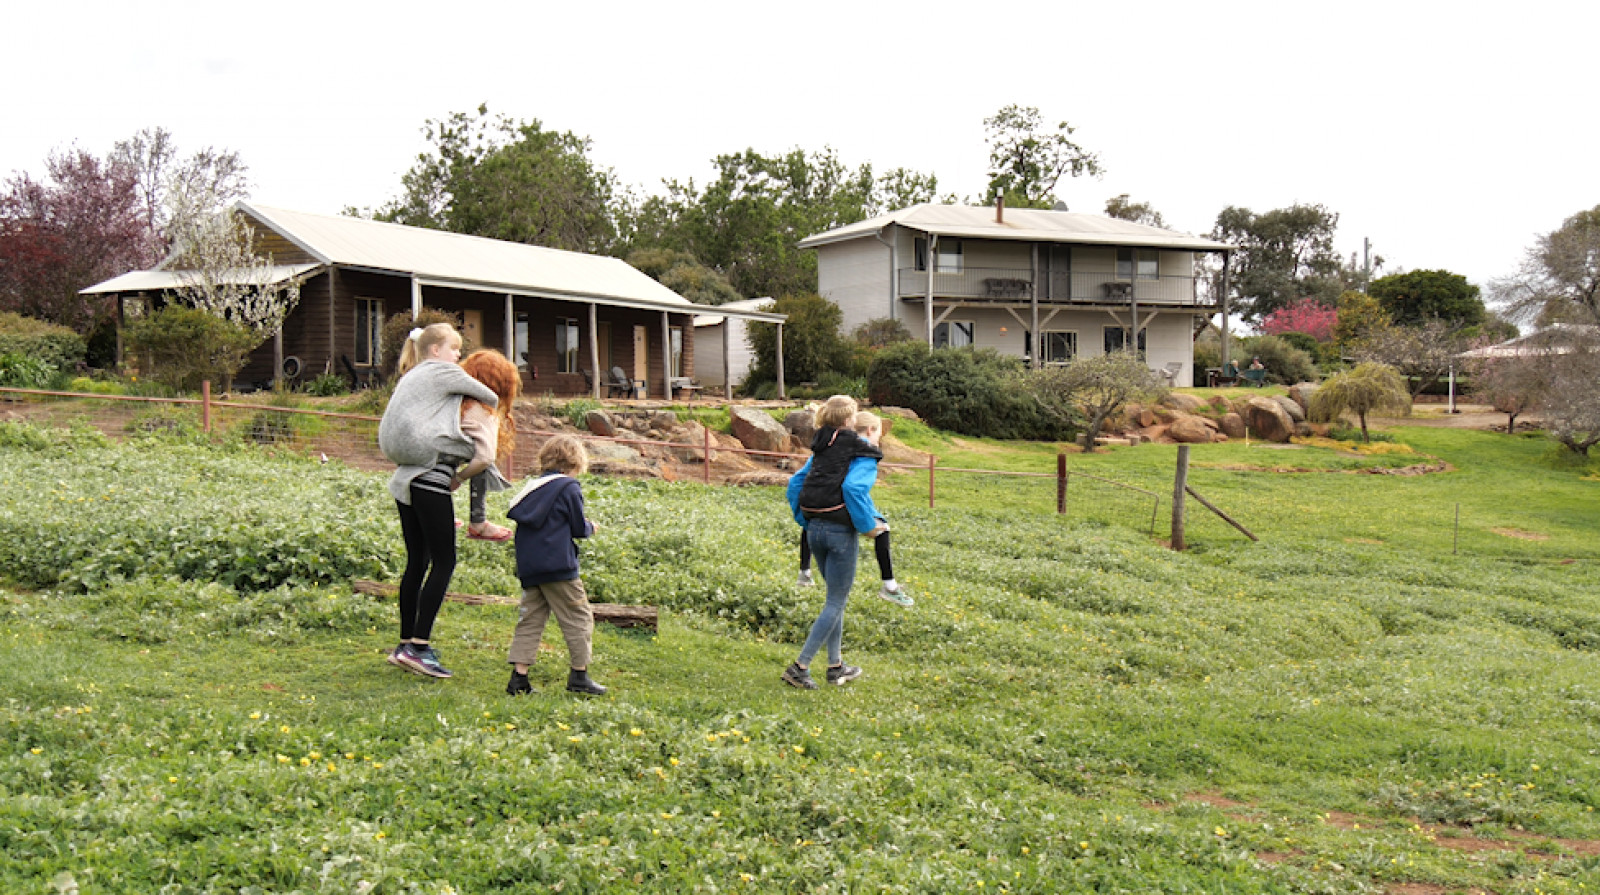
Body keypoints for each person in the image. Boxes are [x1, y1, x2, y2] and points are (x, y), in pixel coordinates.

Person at [377, 323, 498, 679]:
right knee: (445, 561)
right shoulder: (443, 371)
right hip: (430, 479)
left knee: (418, 561)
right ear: (435, 350)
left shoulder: (411, 376)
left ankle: (404, 643)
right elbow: (490, 395)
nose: (458, 355)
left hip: (404, 480)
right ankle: (419, 646)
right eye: (454, 348)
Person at [782, 395, 878, 690]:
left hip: (814, 530)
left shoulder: (820, 449)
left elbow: (795, 483)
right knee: (836, 601)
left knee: (834, 601)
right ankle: (800, 666)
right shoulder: (856, 452)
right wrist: (868, 526)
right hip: (839, 531)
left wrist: (804, 518)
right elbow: (852, 487)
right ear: (851, 420)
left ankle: (836, 666)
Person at [504, 434, 606, 697]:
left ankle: (519, 679)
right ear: (575, 461)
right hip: (559, 565)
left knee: (531, 619)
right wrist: (591, 528)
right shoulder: (568, 487)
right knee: (578, 617)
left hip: (530, 566)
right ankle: (579, 675)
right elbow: (577, 527)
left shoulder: (532, 488)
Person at [797, 410, 912, 608]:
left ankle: (804, 572)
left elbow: (797, 480)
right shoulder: (864, 453)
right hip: (840, 510)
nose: (879, 439)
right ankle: (889, 586)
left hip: (816, 506)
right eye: (878, 434)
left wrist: (801, 512)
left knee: (811, 518)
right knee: (882, 528)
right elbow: (853, 488)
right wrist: (864, 523)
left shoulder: (828, 446)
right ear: (869, 430)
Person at [457, 350, 520, 542]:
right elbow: (485, 458)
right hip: (440, 462)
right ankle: (478, 522)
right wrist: (458, 478)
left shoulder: (458, 403)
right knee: (482, 460)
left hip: (424, 462)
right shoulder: (482, 411)